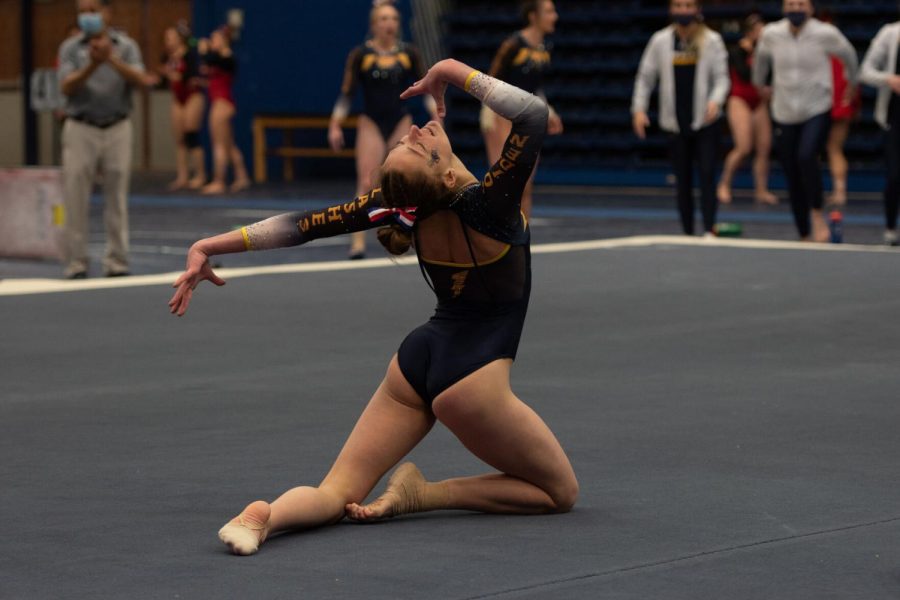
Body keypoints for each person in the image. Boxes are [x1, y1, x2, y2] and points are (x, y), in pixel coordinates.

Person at [169, 58, 579, 556]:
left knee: (335, 492)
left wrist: (209, 245)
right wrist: (449, 70)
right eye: (419, 146)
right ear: (446, 176)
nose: (417, 130)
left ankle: (264, 518)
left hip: (418, 360)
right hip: (475, 377)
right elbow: (533, 114)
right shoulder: (490, 207)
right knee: (559, 493)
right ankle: (427, 495)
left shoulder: (403, 208)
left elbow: (303, 226)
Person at [328, 0, 439, 260]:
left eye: (394, 19)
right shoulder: (361, 55)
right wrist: (335, 125)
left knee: (403, 181)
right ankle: (357, 242)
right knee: (367, 182)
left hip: (400, 120)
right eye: (384, 19)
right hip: (371, 122)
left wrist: (436, 115)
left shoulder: (409, 53)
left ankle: (407, 236)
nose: (390, 24)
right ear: (373, 25)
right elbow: (346, 93)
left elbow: (425, 87)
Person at [58, 0, 153, 279]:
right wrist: (92, 64)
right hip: (80, 126)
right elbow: (65, 86)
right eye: (82, 11)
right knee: (75, 195)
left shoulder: (126, 45)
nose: (87, 15)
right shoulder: (71, 48)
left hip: (117, 126)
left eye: (92, 9)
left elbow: (141, 79)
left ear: (107, 12)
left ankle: (117, 261)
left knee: (117, 196)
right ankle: (76, 262)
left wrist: (110, 58)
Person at [752, 0, 858, 242]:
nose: (795, 8)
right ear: (783, 8)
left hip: (816, 106)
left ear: (810, 8)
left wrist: (851, 82)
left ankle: (817, 213)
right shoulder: (772, 33)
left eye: (800, 4)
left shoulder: (824, 32)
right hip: (784, 110)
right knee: (791, 170)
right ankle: (803, 230)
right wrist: (760, 85)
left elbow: (849, 55)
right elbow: (761, 60)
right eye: (791, 4)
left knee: (806, 155)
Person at [632, 0, 730, 237]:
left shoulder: (712, 40)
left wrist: (715, 101)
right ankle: (687, 232)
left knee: (707, 175)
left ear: (697, 10)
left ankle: (709, 228)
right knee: (682, 182)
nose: (683, 11)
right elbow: (645, 77)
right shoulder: (660, 40)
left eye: (688, 6)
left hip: (705, 121)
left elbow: (722, 79)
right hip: (675, 122)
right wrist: (639, 109)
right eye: (678, 5)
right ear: (671, 9)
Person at [482, 0, 563, 219]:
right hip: (501, 112)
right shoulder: (513, 44)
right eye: (549, 11)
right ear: (533, 16)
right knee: (505, 180)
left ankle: (521, 234)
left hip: (527, 115)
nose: (554, 16)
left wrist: (550, 111)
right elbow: (490, 80)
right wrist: (489, 115)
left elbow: (535, 89)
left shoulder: (545, 49)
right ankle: (496, 232)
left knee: (525, 182)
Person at [716, 11, 778, 206]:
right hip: (740, 99)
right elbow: (745, 75)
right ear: (750, 31)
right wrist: (750, 52)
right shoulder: (737, 51)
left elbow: (770, 76)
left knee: (763, 147)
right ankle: (724, 184)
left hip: (759, 101)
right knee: (743, 147)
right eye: (759, 30)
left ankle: (761, 190)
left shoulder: (766, 52)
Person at [859, 18, 900, 246]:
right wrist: (889, 79)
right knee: (894, 175)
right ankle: (891, 227)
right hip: (894, 117)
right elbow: (865, 71)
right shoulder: (890, 33)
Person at [199, 26, 251, 195]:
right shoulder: (220, 59)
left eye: (214, 39)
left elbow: (213, 60)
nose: (212, 42)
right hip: (221, 102)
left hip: (222, 104)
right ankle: (242, 176)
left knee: (218, 145)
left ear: (223, 40)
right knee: (228, 144)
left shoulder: (227, 58)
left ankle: (219, 181)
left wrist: (203, 51)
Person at [161, 22, 206, 191]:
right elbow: (166, 78)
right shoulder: (168, 57)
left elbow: (191, 77)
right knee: (179, 139)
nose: (167, 41)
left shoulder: (190, 55)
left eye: (170, 38)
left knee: (191, 134)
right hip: (177, 98)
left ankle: (200, 175)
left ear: (180, 39)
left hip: (192, 96)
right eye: (166, 38)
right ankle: (183, 176)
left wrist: (174, 76)